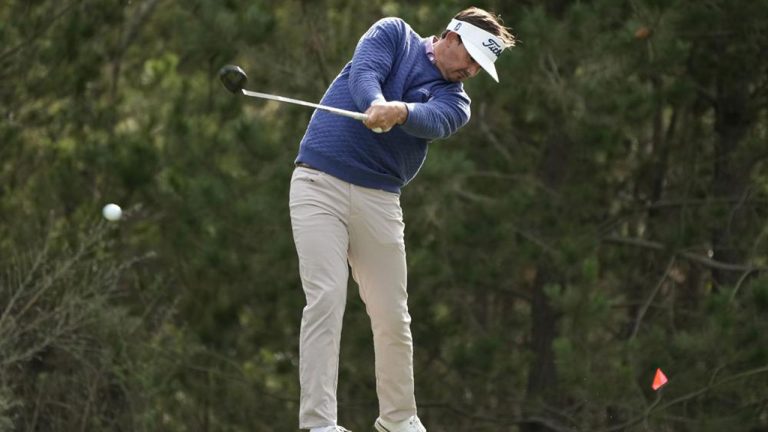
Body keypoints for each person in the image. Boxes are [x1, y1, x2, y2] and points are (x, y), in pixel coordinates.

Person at [289, 7, 515, 432]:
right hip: (318, 183)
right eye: (469, 58)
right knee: (326, 298)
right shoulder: (394, 34)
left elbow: (434, 121)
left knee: (392, 314)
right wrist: (375, 103)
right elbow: (365, 74)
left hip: (379, 200)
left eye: (480, 68)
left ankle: (398, 419)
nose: (470, 70)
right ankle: (318, 423)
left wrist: (401, 112)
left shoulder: (456, 101)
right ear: (450, 35)